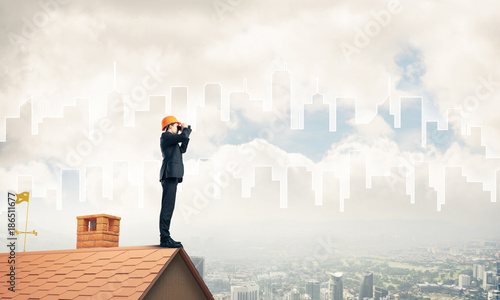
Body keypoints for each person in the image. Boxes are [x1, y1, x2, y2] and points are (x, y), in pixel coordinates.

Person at [159, 115, 192, 248]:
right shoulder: (165, 136)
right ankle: (164, 238)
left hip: (172, 175)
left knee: (169, 207)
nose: (178, 130)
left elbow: (182, 148)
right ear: (169, 126)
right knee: (167, 207)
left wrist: (186, 130)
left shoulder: (172, 142)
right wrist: (184, 130)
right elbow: (183, 137)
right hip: (169, 174)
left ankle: (166, 237)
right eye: (176, 127)